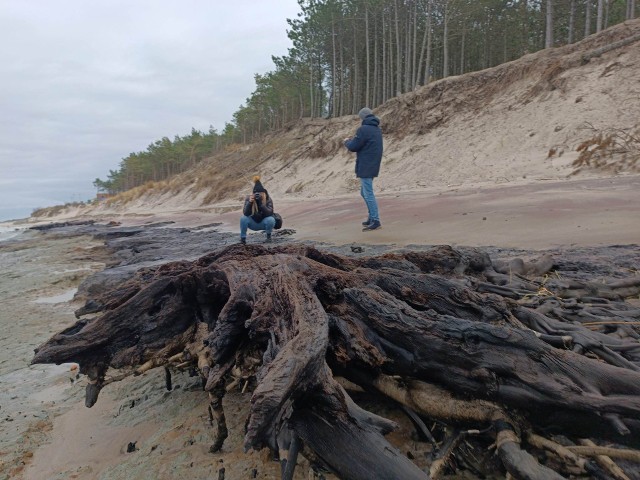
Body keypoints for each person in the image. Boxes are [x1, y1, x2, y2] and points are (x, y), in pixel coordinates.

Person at [344, 107, 383, 231]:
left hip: (366, 164)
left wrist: (346, 141)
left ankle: (375, 220)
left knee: (368, 193)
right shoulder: (377, 129)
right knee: (364, 192)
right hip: (373, 164)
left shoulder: (363, 130)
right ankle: (372, 217)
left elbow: (354, 146)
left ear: (362, 117)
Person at [240, 176, 276, 244]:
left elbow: (269, 213)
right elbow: (245, 213)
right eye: (256, 194)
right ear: (253, 194)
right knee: (243, 218)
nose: (258, 195)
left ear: (264, 193)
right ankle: (243, 238)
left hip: (264, 223)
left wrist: (260, 204)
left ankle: (268, 236)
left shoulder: (268, 199)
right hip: (252, 224)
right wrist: (250, 203)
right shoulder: (249, 199)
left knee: (271, 219)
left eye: (260, 193)